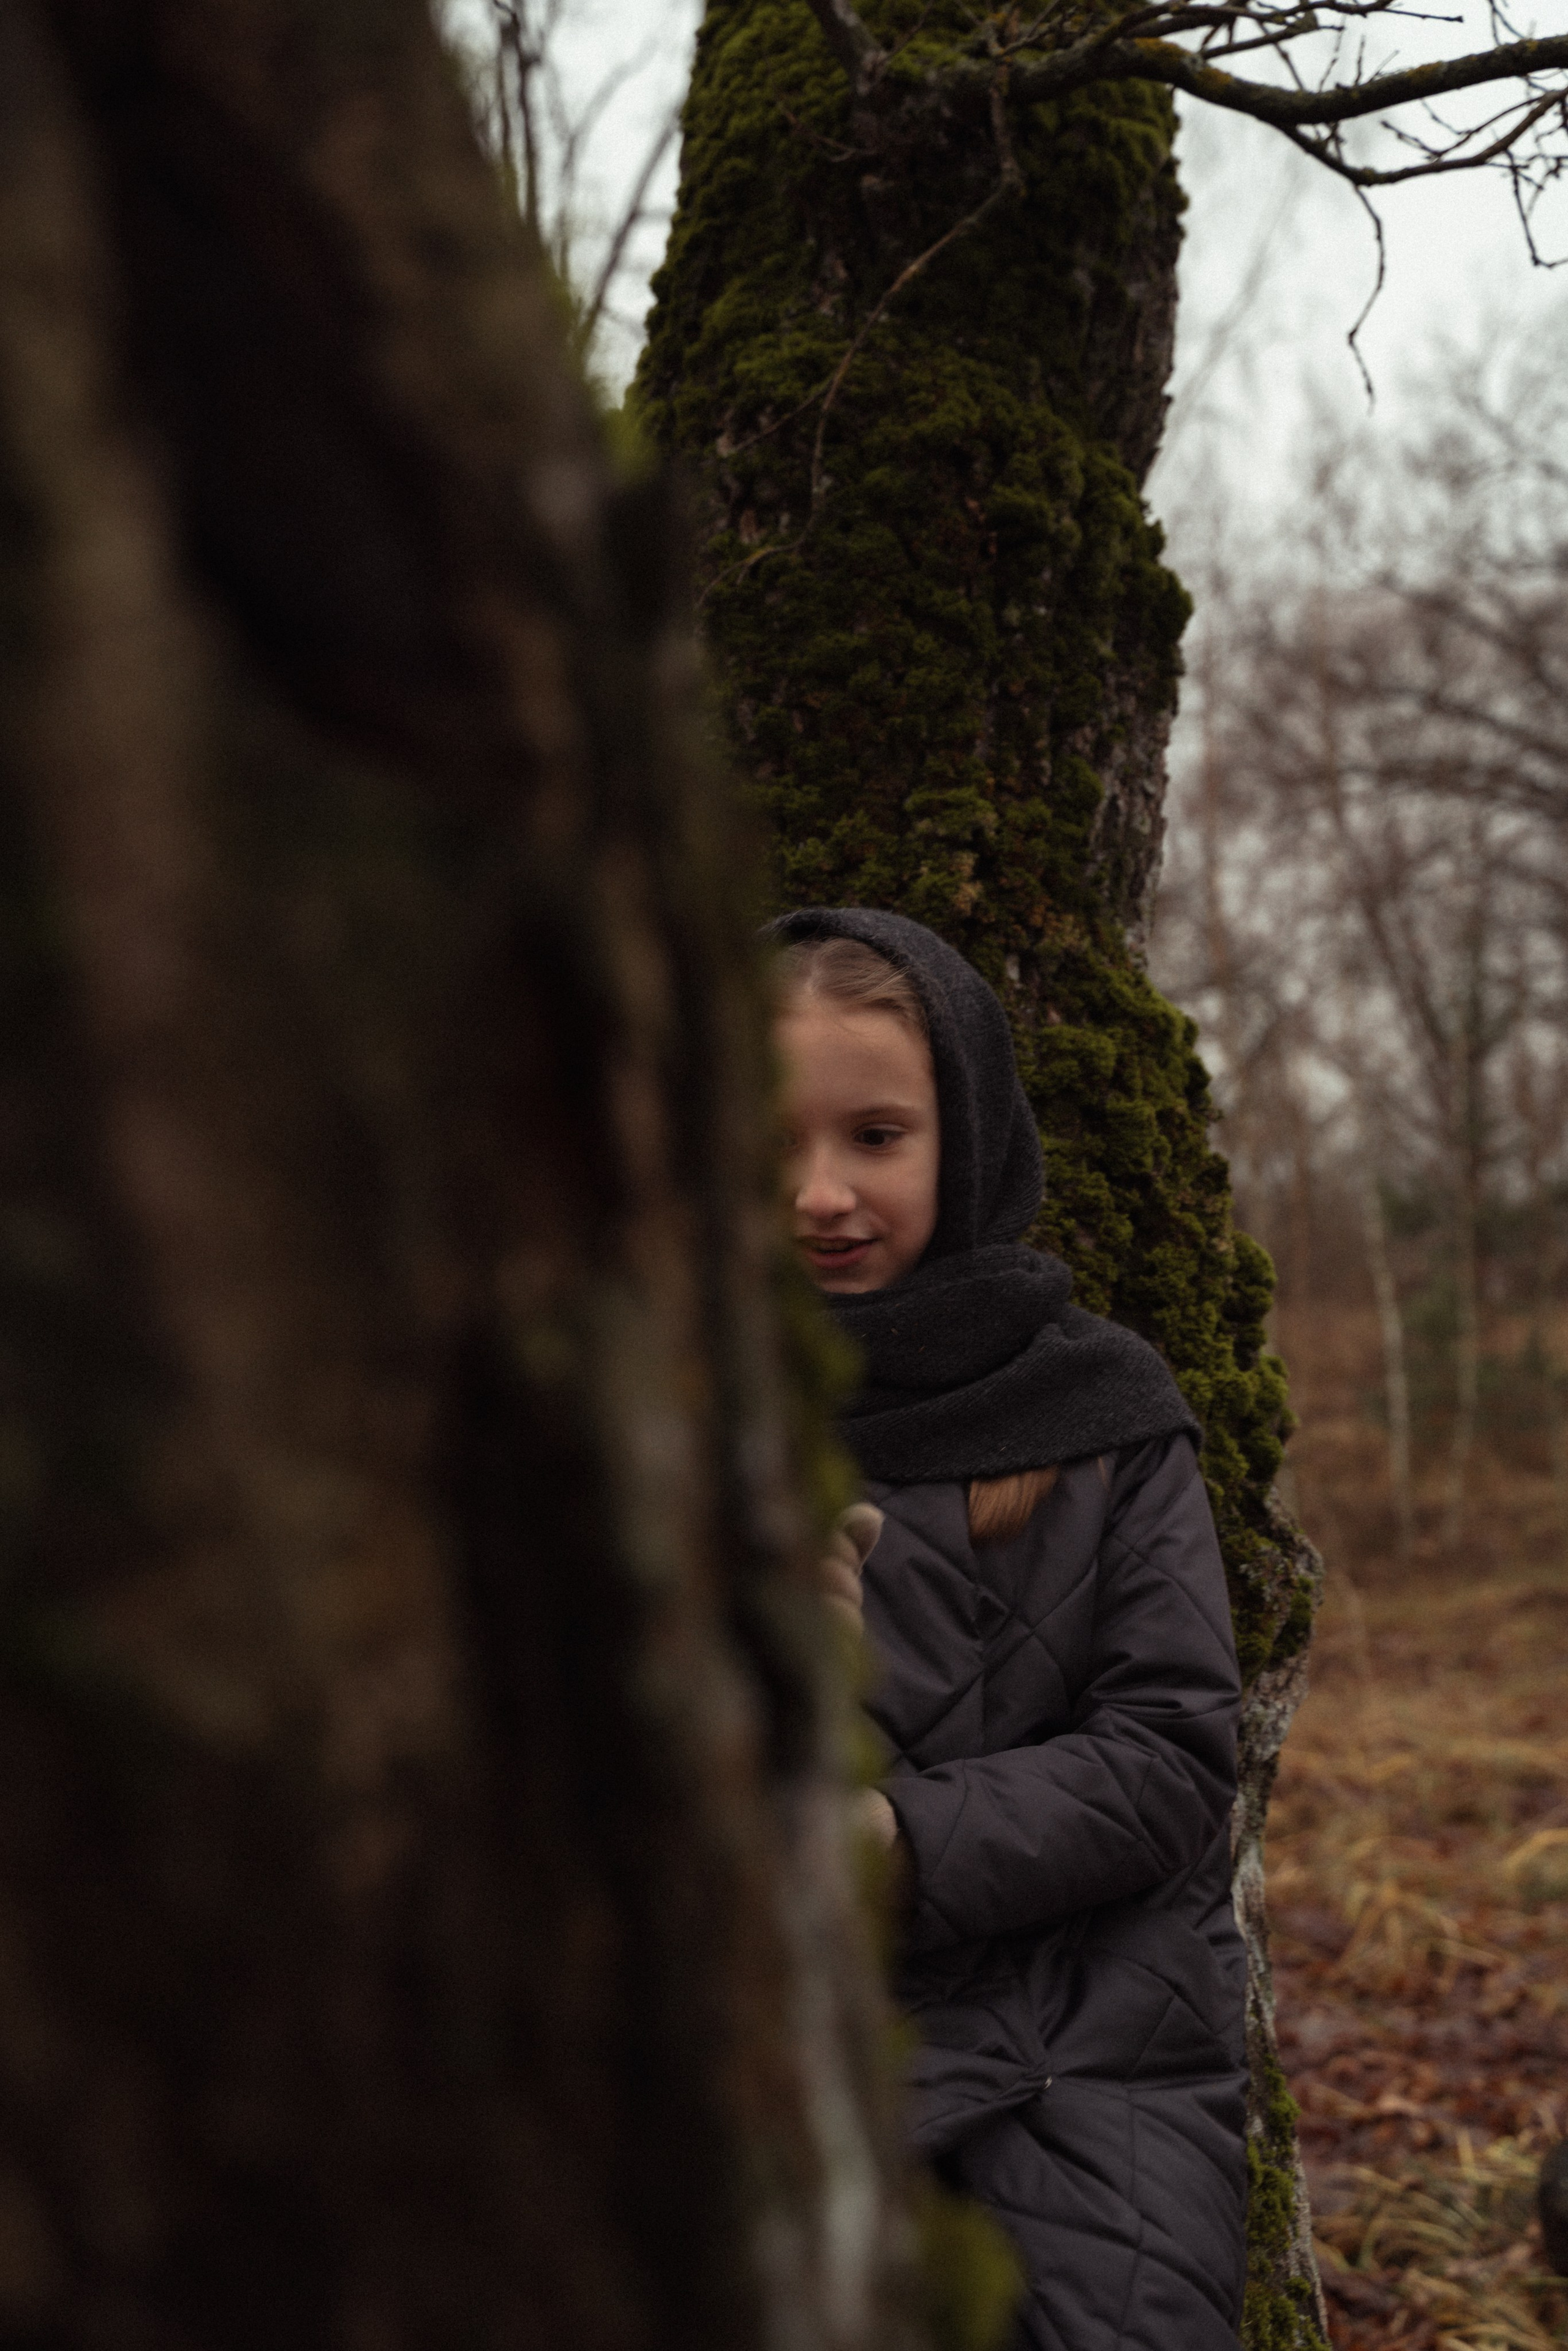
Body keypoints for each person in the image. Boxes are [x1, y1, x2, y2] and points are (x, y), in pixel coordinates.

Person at [772, 905, 1249, 2351]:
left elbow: (1171, 1752)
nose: (817, 1191)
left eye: (874, 1135)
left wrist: (898, 1842)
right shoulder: (663, 1406)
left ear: (964, 1134)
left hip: (1079, 2046)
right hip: (764, 2042)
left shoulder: (1095, 1411)